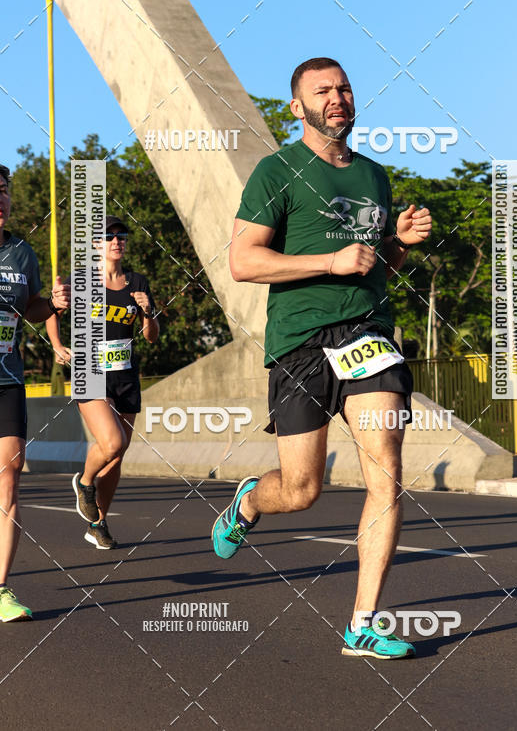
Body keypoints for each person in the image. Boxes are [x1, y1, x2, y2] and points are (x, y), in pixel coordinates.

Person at [212, 57, 432, 659]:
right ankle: (251, 500)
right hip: (300, 342)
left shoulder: (375, 176)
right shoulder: (276, 171)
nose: (337, 98)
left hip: (368, 336)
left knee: (384, 465)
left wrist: (398, 246)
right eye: (322, 90)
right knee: (303, 488)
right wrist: (328, 263)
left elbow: (377, 267)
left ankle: (364, 621)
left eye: (344, 87)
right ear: (297, 106)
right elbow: (244, 261)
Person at [46, 215, 159, 550]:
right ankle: (83, 482)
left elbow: (151, 337)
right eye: (108, 237)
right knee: (111, 442)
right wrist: (56, 345)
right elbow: (53, 308)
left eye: (121, 236)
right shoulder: (81, 281)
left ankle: (97, 523)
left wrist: (148, 311)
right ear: (95, 244)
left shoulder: (138, 282)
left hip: (125, 375)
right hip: (90, 372)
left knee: (118, 455)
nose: (116, 241)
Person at [0, 163, 70, 621]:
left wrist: (55, 305)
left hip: (6, 378)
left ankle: (0, 588)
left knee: (9, 476)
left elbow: (29, 311)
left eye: (3, 190)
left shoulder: (22, 254)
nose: (0, 198)